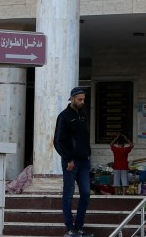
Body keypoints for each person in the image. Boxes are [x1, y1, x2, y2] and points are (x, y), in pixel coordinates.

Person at [53, 86, 91, 237]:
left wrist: (88, 153)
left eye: (84, 99)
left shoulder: (82, 115)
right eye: (79, 99)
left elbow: (84, 137)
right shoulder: (64, 116)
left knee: (86, 193)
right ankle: (69, 228)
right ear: (72, 98)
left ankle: (79, 227)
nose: (82, 102)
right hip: (71, 162)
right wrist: (68, 158)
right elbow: (57, 141)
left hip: (84, 161)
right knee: (68, 195)